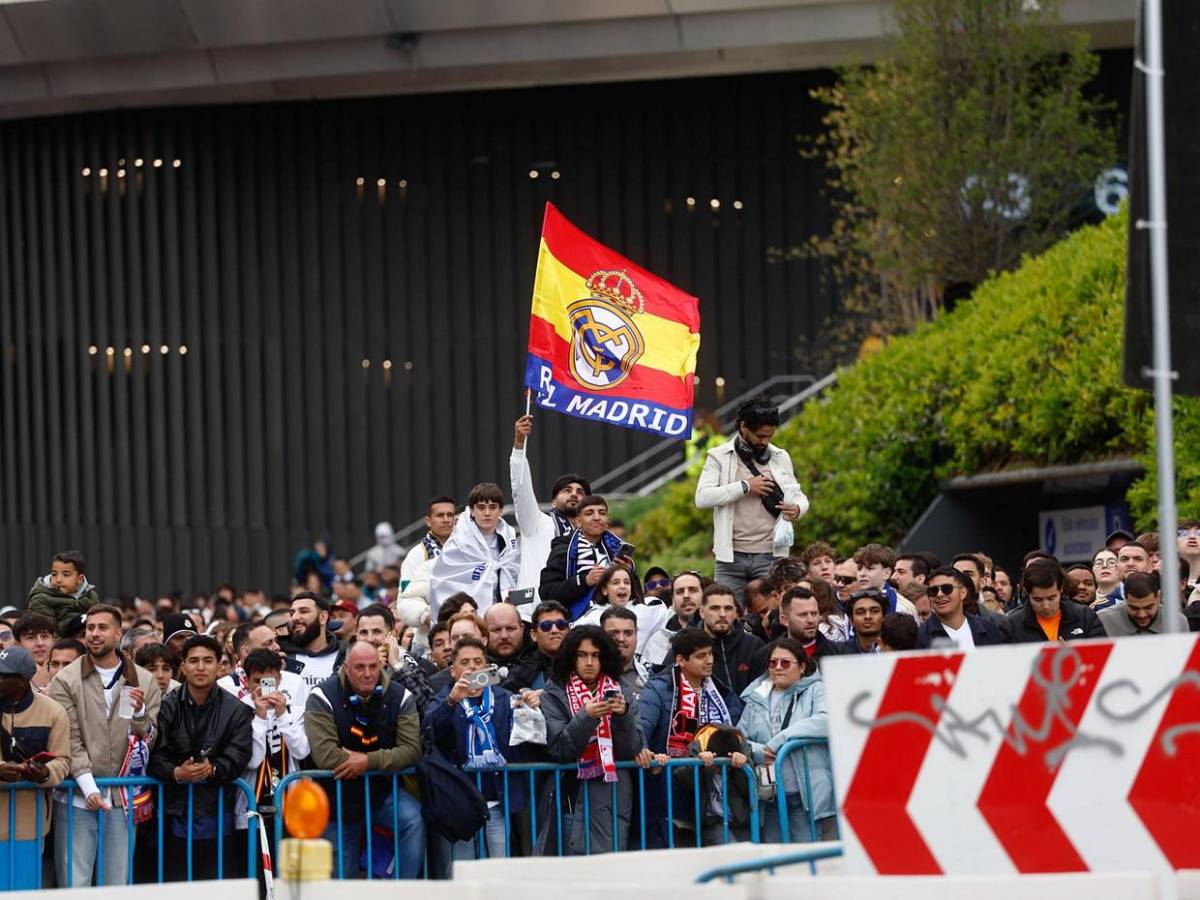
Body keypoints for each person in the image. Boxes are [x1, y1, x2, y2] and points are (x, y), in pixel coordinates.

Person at [48, 604, 161, 888]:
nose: (94, 634)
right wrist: (89, 788)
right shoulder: (65, 679)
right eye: (90, 628)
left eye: (102, 628)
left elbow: (149, 738)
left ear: (118, 633)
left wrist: (138, 714)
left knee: (117, 885)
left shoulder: (144, 679)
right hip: (76, 796)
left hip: (123, 797)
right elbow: (69, 739)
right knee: (74, 884)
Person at [305, 641, 424, 879]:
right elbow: (326, 756)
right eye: (360, 667)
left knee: (414, 821)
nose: (368, 674)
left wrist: (366, 762)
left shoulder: (401, 696)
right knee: (342, 877)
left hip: (382, 793)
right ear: (346, 667)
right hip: (337, 799)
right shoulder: (321, 696)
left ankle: (406, 893)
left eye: (373, 667)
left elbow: (411, 749)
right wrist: (386, 757)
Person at [147, 635, 253, 881]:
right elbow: (154, 754)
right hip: (174, 814)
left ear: (219, 665)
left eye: (208, 660)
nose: (201, 667)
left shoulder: (236, 709)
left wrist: (213, 769)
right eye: (193, 661)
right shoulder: (167, 706)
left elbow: (240, 754)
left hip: (219, 812)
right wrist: (176, 773)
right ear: (183, 666)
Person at [542, 625, 650, 855]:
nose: (589, 662)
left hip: (612, 796)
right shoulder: (553, 693)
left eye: (595, 655)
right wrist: (586, 717)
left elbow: (632, 748)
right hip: (573, 796)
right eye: (581, 655)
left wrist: (622, 716)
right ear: (571, 658)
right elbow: (560, 749)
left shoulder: (620, 690)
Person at [695, 396, 808, 600]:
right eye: (760, 436)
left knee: (771, 616)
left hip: (771, 556)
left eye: (769, 436)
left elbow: (799, 495)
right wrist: (746, 486)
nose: (764, 441)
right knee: (727, 615)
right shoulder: (718, 456)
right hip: (730, 559)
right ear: (743, 426)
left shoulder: (780, 457)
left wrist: (798, 508)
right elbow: (702, 498)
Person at [638, 629, 741, 848]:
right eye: (701, 656)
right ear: (680, 660)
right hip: (669, 789)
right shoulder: (658, 689)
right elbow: (642, 727)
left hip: (712, 793)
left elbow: (739, 731)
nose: (709, 660)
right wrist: (645, 750)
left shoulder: (721, 692)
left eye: (710, 654)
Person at [425, 636, 525, 860]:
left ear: (487, 666)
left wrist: (529, 711)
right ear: (453, 671)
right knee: (464, 874)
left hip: (497, 801)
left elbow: (523, 743)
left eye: (478, 661)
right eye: (465, 662)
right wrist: (451, 702)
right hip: (460, 804)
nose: (472, 667)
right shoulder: (443, 698)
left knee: (498, 872)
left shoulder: (504, 698)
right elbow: (430, 733)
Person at [734, 638, 835, 842]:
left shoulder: (817, 690)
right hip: (769, 796)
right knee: (774, 863)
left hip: (805, 796)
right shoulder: (756, 697)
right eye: (773, 663)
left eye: (785, 663)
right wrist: (759, 750)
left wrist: (780, 741)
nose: (778, 668)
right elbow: (739, 737)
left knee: (807, 862)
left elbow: (826, 721)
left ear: (802, 667)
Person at [0, 647, 71, 889]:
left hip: (28, 826)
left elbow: (63, 760)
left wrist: (45, 773)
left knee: (23, 888)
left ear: (21, 681)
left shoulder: (53, 712)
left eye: (3, 676)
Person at [511, 414, 592, 602]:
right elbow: (520, 488)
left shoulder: (592, 537)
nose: (574, 494)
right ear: (554, 502)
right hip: (534, 611)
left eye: (580, 492)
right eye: (567, 490)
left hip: (576, 615)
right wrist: (519, 443)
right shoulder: (536, 522)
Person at [238, 648, 309, 833]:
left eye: (268, 681)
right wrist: (260, 719)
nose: (262, 688)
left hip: (291, 810)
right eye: (256, 681)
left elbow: (302, 751)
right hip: (250, 811)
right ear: (246, 681)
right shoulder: (238, 711)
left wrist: (283, 715)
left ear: (279, 679)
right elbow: (252, 761)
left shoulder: (296, 711)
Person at [431, 483, 521, 617]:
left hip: (505, 615)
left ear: (500, 510)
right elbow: (443, 585)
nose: (487, 513)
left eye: (493, 507)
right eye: (481, 508)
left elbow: (518, 575)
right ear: (472, 510)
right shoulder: (458, 543)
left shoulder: (511, 540)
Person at [540, 495, 634, 621]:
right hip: (577, 622)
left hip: (618, 619)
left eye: (602, 513)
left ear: (607, 520)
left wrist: (628, 573)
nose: (596, 517)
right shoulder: (563, 549)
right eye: (589, 513)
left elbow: (634, 594)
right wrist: (585, 581)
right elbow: (547, 593)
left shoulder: (617, 549)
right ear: (578, 521)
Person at [354, 604, 435, 716]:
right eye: (364, 632)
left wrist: (396, 665)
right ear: (356, 636)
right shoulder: (345, 665)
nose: (369, 639)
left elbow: (427, 708)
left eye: (377, 631)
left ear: (392, 634)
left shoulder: (409, 663)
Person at [1005, 559, 1106, 643]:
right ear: (1027, 593)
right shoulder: (1011, 625)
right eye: (1038, 600)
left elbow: (1102, 656)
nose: (1046, 606)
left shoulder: (1085, 616)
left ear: (1061, 589)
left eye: (1051, 598)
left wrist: (1074, 655)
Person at [219, 622, 309, 712]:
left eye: (275, 641)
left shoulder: (294, 681)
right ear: (245, 651)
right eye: (268, 643)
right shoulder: (225, 688)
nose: (277, 647)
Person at [916, 567, 1007, 650]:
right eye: (933, 591)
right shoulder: (920, 636)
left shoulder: (988, 627)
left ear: (963, 593)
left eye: (947, 589)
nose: (939, 594)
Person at [699, 583, 764, 695]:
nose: (722, 614)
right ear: (702, 612)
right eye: (715, 608)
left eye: (728, 608)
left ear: (735, 613)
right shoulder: (687, 646)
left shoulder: (754, 646)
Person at [759, 586, 845, 665]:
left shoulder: (841, 654)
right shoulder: (766, 656)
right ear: (784, 620)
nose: (810, 620)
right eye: (803, 615)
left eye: (814, 614)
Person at [500, 601, 569, 693]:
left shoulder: (581, 660)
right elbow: (504, 699)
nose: (554, 630)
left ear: (568, 630)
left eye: (561, 625)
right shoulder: (522, 671)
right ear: (534, 635)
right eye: (546, 626)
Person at [27, 550, 100, 637]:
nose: (58, 579)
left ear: (79, 579)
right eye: (54, 574)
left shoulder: (91, 596)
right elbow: (48, 635)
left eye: (66, 575)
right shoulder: (41, 599)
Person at [283, 592, 347, 690]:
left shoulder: (346, 656)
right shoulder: (282, 658)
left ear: (323, 617)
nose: (294, 617)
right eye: (292, 613)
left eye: (303, 611)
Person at [642, 571, 705, 667]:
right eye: (680, 592)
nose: (686, 596)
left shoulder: (715, 632)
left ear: (704, 595)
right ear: (673, 599)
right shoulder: (658, 640)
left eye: (693, 590)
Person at [399, 496, 458, 592]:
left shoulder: (465, 549)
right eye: (440, 515)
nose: (446, 520)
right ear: (428, 521)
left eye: (450, 515)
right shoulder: (416, 554)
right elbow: (406, 594)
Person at [853, 544, 918, 619]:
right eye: (859, 568)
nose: (862, 574)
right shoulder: (853, 603)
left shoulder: (903, 608)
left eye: (869, 568)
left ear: (886, 573)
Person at [601, 607, 651, 702]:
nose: (621, 639)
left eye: (628, 633)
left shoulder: (651, 675)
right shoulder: (588, 675)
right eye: (614, 633)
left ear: (636, 635)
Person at [1099, 572, 1165, 636]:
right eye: (1134, 608)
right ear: (1125, 598)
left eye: (1148, 607)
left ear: (1158, 598)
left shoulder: (1174, 618)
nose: (1142, 615)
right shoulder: (1102, 621)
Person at [13, 613, 54, 691]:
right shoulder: (9, 677)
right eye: (30, 637)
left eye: (44, 636)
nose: (40, 643)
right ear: (18, 645)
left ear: (53, 640)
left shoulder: (66, 671)